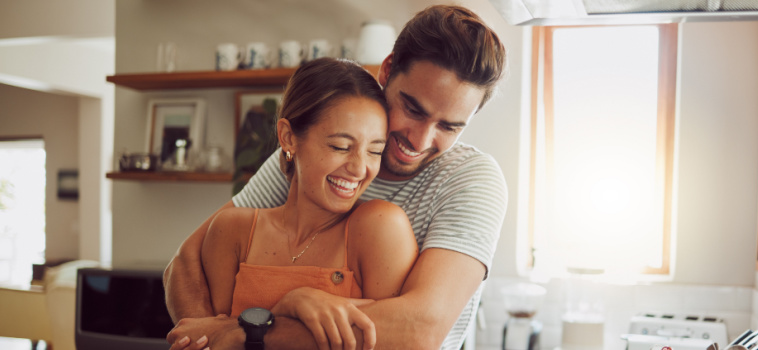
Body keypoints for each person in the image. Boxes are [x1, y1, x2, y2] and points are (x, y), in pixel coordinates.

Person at [165, 4, 508, 350]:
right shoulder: (310, 157)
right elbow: (184, 263)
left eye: (449, 127)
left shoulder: (471, 181)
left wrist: (250, 332)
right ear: (387, 71)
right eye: (413, 109)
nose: (420, 140)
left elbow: (419, 328)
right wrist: (209, 341)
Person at [197, 57, 419, 349]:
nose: (359, 168)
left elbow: (397, 343)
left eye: (374, 151)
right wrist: (288, 306)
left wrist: (282, 311)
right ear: (288, 137)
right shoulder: (232, 231)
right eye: (340, 147)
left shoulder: (379, 227)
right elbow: (219, 340)